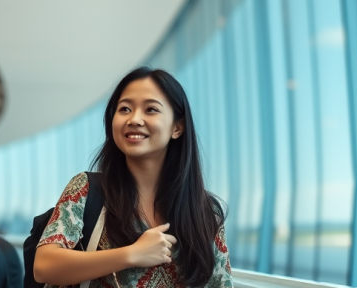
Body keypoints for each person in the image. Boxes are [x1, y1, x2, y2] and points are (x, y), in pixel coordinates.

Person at [33, 67, 232, 288]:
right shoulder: (87, 189)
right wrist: (131, 254)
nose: (135, 119)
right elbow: (44, 267)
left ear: (177, 127)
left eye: (151, 109)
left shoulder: (206, 211)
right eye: (125, 109)